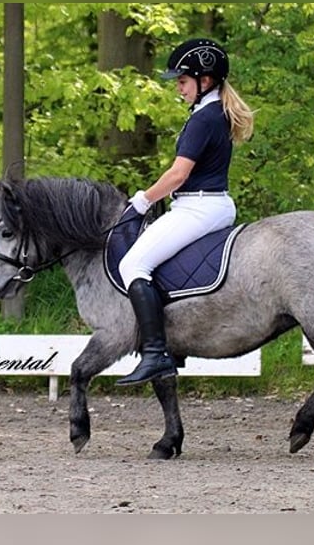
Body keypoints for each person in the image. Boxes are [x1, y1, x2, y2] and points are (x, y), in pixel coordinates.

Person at [115, 37, 255, 386]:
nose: (178, 88)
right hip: (211, 203)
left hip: (199, 207)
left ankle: (155, 354)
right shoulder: (211, 112)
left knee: (132, 264)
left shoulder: (204, 118)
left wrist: (142, 201)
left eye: (182, 81)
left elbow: (178, 174)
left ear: (204, 81)